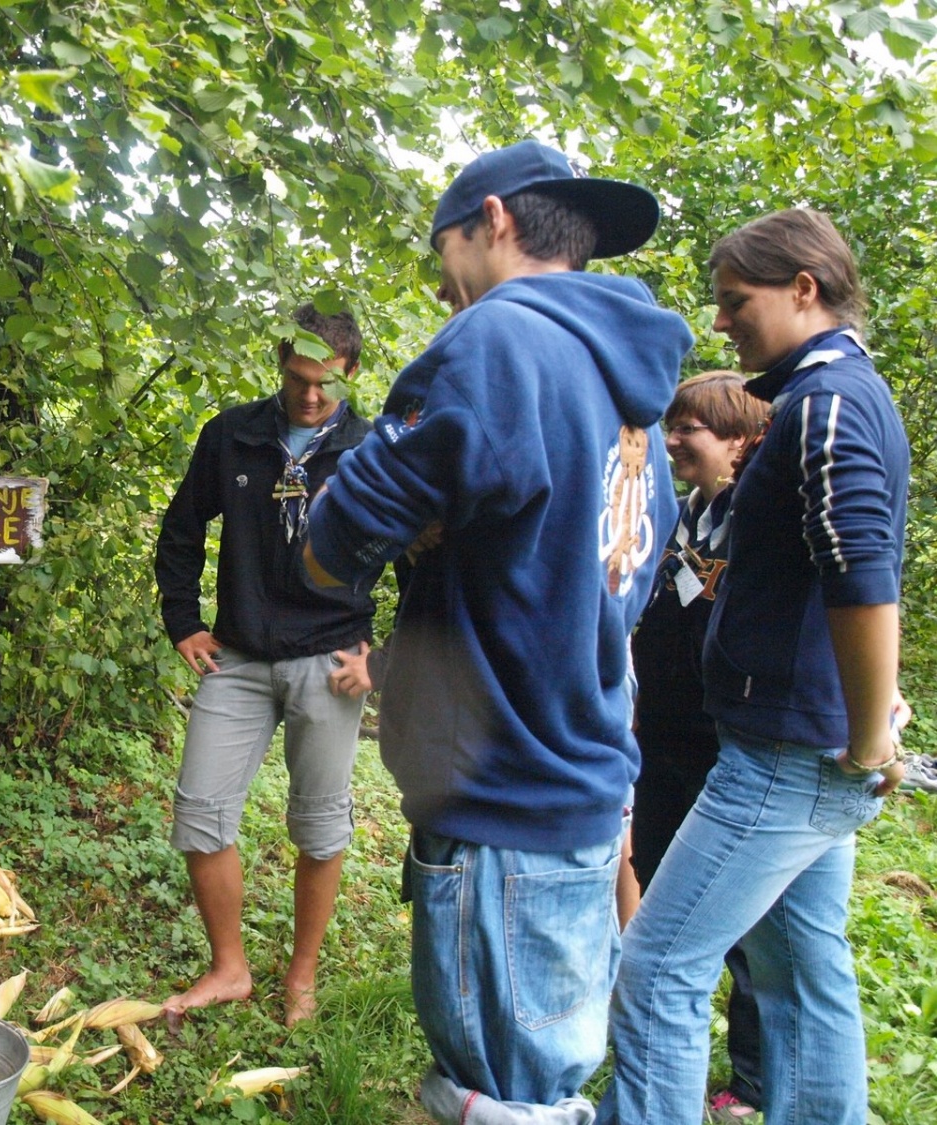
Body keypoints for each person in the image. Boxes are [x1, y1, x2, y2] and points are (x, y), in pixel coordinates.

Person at [304, 139, 693, 1123]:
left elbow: (337, 534)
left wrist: (350, 542)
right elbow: (617, 574)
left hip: (503, 789)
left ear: (498, 220)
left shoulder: (499, 342)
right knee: (544, 1074)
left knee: (504, 1092)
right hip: (580, 767)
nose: (444, 285)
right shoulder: (628, 393)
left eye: (445, 252)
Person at [600, 208, 909, 1125]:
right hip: (799, 744)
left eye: (737, 301)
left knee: (657, 968)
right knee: (801, 971)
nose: (724, 322)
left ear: (802, 289)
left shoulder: (826, 406)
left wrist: (864, 739)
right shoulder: (838, 395)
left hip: (785, 755)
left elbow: (862, 575)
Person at [153, 303, 376, 1028]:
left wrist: (383, 656)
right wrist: (183, 620)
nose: (310, 396)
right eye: (297, 379)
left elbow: (426, 562)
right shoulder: (234, 436)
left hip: (329, 658)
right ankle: (230, 966)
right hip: (240, 656)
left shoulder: (370, 451)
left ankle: (301, 975)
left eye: (326, 384)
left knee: (320, 825)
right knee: (200, 811)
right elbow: (182, 529)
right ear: (280, 365)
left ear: (352, 377)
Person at [627, 371, 769, 1122]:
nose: (674, 440)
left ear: (741, 439)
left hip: (729, 744)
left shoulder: (756, 521)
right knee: (654, 883)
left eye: (692, 430)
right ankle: (661, 1036)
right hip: (662, 736)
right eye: (671, 426)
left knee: (740, 920)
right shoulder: (678, 514)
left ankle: (752, 1081)